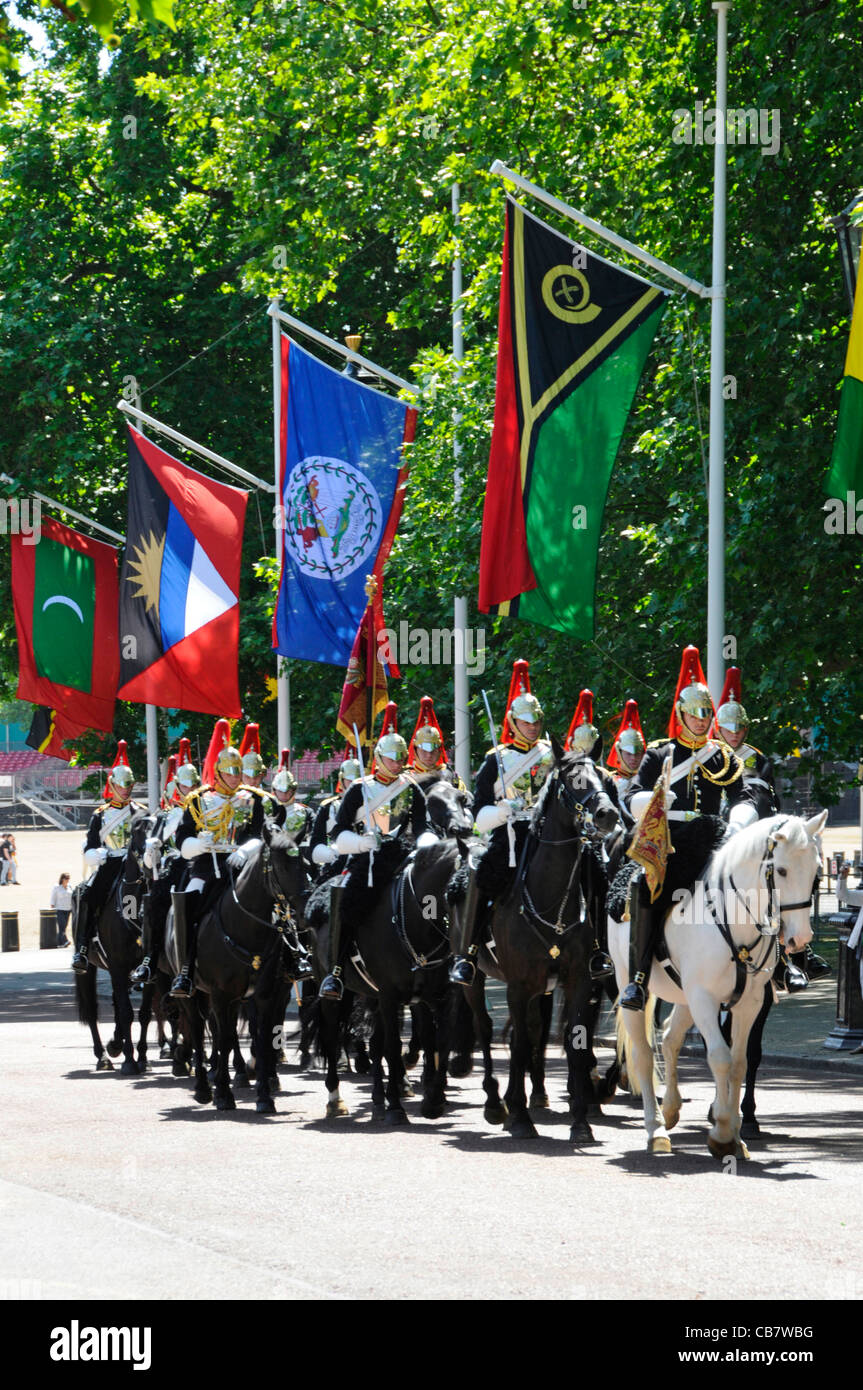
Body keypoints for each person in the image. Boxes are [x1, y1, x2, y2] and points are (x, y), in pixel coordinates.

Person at [619, 645, 755, 1011]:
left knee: (758, 881)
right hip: (671, 840)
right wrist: (655, 800)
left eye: (706, 714)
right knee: (643, 886)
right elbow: (630, 795)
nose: (700, 720)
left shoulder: (722, 755)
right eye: (694, 714)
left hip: (712, 836)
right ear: (681, 714)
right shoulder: (660, 754)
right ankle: (637, 979)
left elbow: (743, 794)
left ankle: (785, 963)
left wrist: (741, 821)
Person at [449, 659, 554, 985]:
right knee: (481, 876)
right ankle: (467, 954)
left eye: (536, 721)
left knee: (590, 864)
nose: (532, 727)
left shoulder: (552, 753)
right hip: (510, 837)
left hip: (547, 834)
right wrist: (502, 810)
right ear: (513, 722)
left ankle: (596, 947)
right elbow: (479, 817)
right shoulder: (496, 759)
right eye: (526, 722)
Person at [319, 703, 419, 1001]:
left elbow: (423, 827)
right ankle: (335, 972)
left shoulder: (412, 788)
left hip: (403, 857)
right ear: (378, 758)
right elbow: (338, 833)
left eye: (401, 757)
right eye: (392, 757)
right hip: (368, 859)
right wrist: (361, 843)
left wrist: (420, 847)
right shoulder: (359, 788)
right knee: (346, 898)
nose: (398, 762)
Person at [169, 719, 265, 997]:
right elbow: (181, 839)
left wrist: (247, 850)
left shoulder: (252, 799)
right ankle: (185, 970)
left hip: (242, 869)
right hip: (206, 870)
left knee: (277, 901)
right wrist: (199, 844)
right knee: (186, 903)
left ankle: (291, 961)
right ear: (219, 773)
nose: (236, 778)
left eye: (238, 773)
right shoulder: (199, 800)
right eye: (230, 773)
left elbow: (260, 833)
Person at [71, 742, 146, 974]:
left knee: (150, 897)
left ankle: (149, 949)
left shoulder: (140, 811)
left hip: (135, 865)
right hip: (110, 864)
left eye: (129, 785)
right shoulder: (100, 815)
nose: (125, 789)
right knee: (88, 894)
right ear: (112, 785)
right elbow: (91, 845)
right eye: (121, 785)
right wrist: (96, 854)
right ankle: (83, 945)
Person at [51, 873, 73, 946]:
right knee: (62, 925)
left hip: (68, 909)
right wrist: (52, 907)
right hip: (59, 909)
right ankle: (65, 941)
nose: (67, 880)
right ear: (62, 879)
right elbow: (53, 898)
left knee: (64, 927)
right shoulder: (57, 887)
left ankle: (58, 943)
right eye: (66, 878)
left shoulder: (70, 887)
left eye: (68, 878)